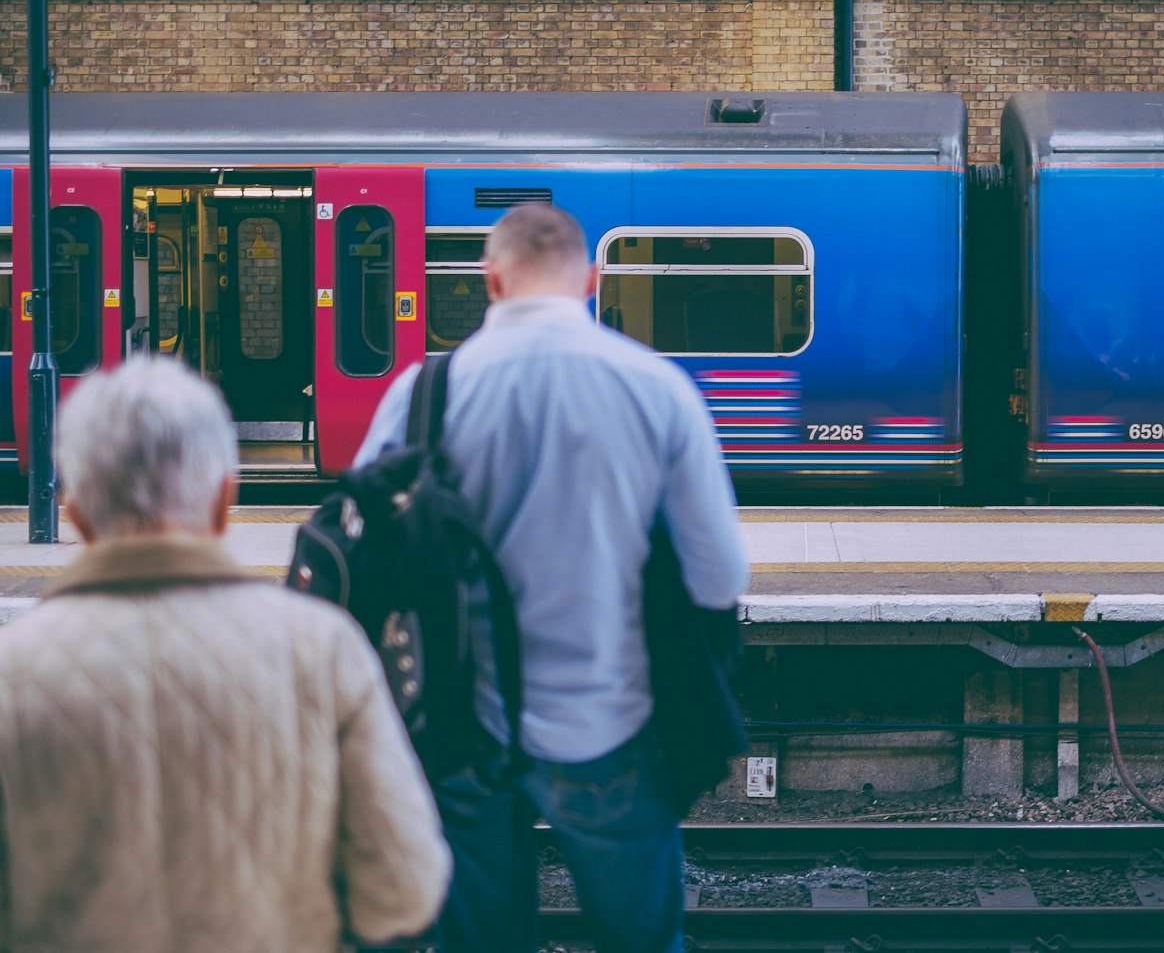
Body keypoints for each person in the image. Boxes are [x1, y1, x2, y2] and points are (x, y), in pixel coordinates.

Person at [356, 202, 749, 953]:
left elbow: (369, 549)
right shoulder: (656, 387)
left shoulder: (421, 393)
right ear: (592, 280)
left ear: (490, 278)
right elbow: (720, 573)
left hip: (461, 727)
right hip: (612, 722)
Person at [0, 357, 450, 952]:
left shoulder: (14, 671)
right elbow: (405, 889)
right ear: (224, 499)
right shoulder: (322, 649)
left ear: (77, 515)